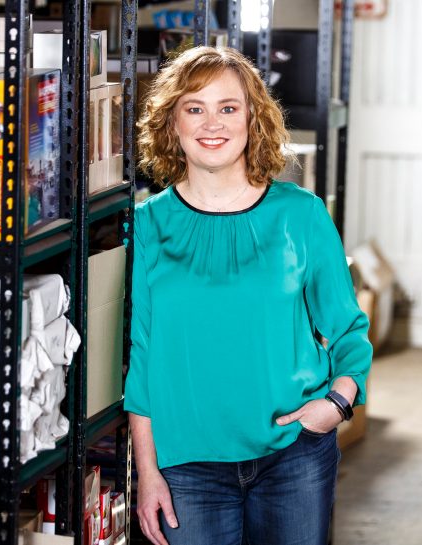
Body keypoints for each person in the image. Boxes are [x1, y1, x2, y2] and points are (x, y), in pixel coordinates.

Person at [124, 46, 372, 545]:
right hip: (188, 467)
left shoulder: (301, 216)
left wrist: (338, 404)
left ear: (252, 119)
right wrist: (145, 473)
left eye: (228, 108)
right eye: (194, 108)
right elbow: (143, 358)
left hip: (294, 455)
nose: (211, 123)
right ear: (172, 123)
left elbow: (348, 329)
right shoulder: (147, 225)